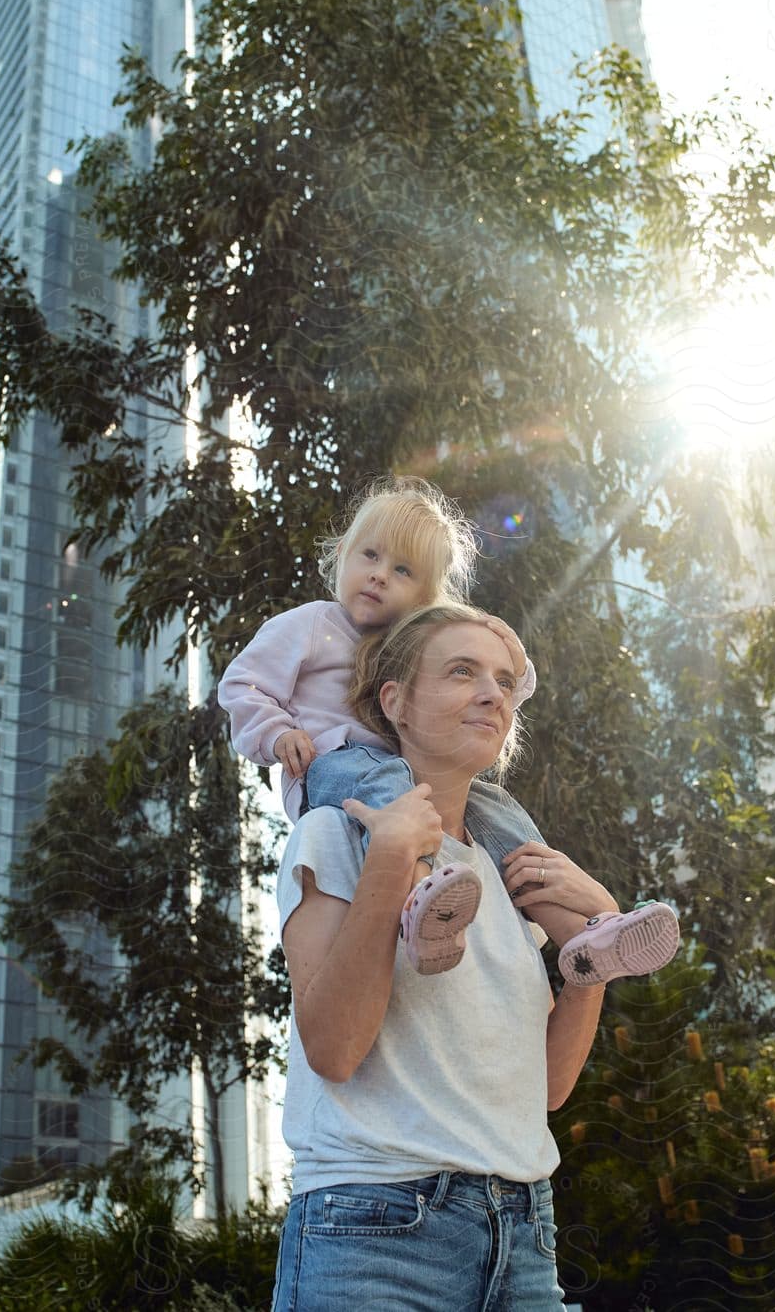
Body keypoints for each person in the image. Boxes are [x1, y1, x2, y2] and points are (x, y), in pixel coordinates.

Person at [270, 604, 622, 1310]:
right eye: (462, 672)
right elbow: (335, 1050)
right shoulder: (332, 834)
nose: (494, 693)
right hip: (374, 1231)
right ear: (394, 702)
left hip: (523, 1234)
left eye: (502, 679)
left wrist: (593, 956)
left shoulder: (507, 870)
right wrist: (394, 858)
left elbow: (544, 1092)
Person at [219, 477, 678, 982]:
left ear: (423, 597)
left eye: (402, 570)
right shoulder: (312, 624)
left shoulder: (411, 646)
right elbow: (243, 683)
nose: (378, 576)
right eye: (369, 556)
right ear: (344, 555)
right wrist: (276, 733)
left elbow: (499, 689)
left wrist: (513, 656)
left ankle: (585, 935)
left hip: (400, 773)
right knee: (387, 781)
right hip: (332, 766)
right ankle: (422, 903)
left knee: (499, 814)